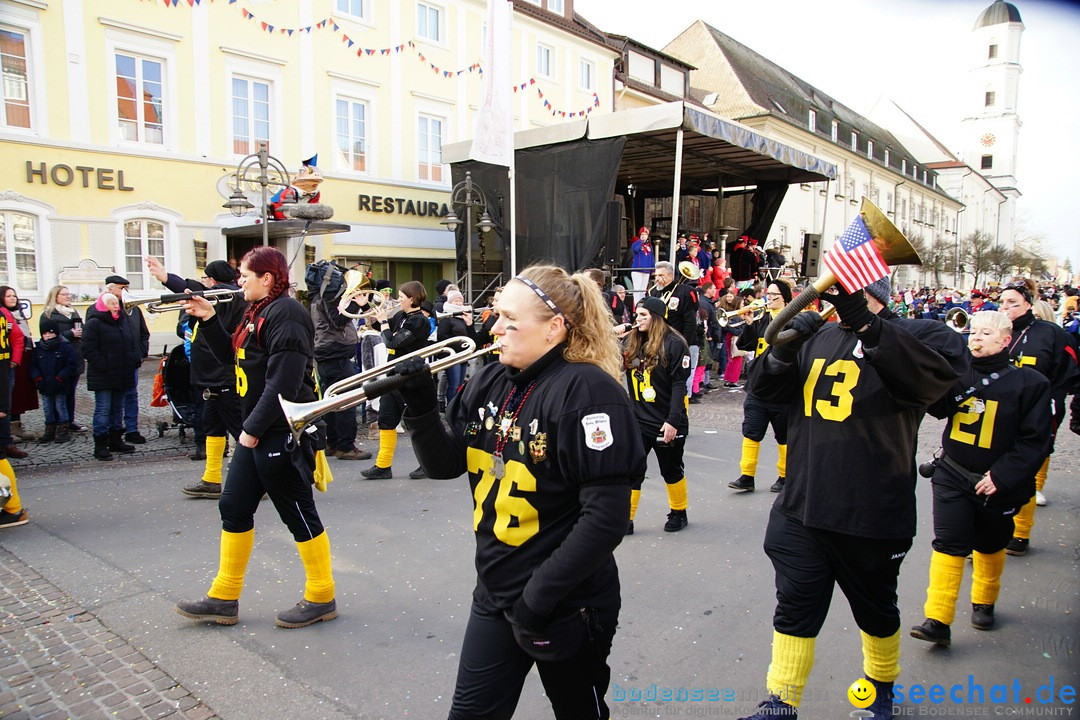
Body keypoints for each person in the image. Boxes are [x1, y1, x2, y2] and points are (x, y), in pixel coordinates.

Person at [398, 265, 645, 719]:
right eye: (497, 316)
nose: (495, 329)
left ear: (554, 328)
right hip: (495, 592)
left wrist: (535, 603)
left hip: (566, 602)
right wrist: (418, 405)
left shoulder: (589, 393)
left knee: (579, 712)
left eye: (511, 321)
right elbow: (446, 465)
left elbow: (605, 520)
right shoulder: (490, 379)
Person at [737, 284, 959, 720]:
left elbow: (937, 393)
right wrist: (782, 351)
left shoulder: (918, 333)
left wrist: (866, 324)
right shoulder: (819, 335)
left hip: (872, 509)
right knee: (795, 606)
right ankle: (781, 701)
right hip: (804, 504)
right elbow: (761, 390)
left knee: (875, 612)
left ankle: (880, 688)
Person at [174, 246, 338, 629]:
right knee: (232, 506)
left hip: (278, 431)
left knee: (297, 513)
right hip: (259, 430)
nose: (239, 281)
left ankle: (321, 594)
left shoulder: (288, 314)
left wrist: (249, 431)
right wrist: (211, 319)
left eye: (245, 274)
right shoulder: (258, 310)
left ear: (267, 278)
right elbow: (233, 361)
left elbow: (283, 381)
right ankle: (224, 597)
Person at [910, 310, 1051, 647]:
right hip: (952, 473)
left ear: (1005, 340)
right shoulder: (958, 373)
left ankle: (984, 602)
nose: (975, 338)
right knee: (949, 542)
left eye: (985, 333)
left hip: (998, 483)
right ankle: (938, 619)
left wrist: (1002, 476)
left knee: (990, 543)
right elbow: (937, 407)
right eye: (973, 332)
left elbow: (1036, 440)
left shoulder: (1031, 383)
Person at [146, 257, 249, 497]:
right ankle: (212, 479)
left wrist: (165, 278)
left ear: (212, 280)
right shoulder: (230, 294)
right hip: (212, 376)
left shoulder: (225, 295)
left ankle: (258, 481)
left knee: (242, 430)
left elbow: (192, 288)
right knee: (212, 426)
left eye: (205, 279)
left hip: (222, 375)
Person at [997, 279, 1079, 555]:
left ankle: (1020, 533)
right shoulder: (994, 330)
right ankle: (990, 534)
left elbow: (1069, 371)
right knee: (994, 471)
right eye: (1003, 302)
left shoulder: (1051, 333)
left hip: (1039, 413)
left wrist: (1053, 401)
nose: (1006, 307)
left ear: (1028, 304)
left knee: (1025, 472)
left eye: (1013, 303)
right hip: (1001, 412)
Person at [623, 296, 691, 534]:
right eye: (636, 315)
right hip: (639, 420)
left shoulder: (674, 344)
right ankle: (627, 519)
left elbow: (679, 386)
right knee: (632, 470)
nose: (637, 319)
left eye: (643, 315)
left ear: (657, 318)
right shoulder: (632, 342)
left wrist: (672, 421)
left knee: (670, 470)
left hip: (665, 421)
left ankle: (678, 512)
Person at [360, 280, 430, 480]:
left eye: (401, 297)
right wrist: (366, 306)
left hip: (412, 376)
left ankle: (427, 464)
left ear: (412, 298)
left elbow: (391, 340)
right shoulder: (401, 315)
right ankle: (383, 466)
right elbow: (379, 325)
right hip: (394, 375)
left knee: (416, 422)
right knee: (386, 418)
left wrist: (383, 322)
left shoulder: (420, 321)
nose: (398, 300)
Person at [729, 280, 792, 494]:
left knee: (784, 436)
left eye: (775, 294)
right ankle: (747, 475)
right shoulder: (761, 318)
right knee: (751, 432)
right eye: (768, 293)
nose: (770, 297)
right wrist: (748, 324)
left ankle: (785, 476)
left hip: (783, 389)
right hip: (758, 387)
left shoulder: (791, 320)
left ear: (785, 297)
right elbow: (744, 345)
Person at [307, 262, 372, 463]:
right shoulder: (327, 299)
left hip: (327, 353)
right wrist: (358, 304)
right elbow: (339, 320)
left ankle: (332, 443)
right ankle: (345, 446)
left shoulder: (319, 297)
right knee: (346, 401)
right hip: (335, 354)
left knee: (332, 400)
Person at [81, 292, 142, 461]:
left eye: (116, 303)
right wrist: (103, 365)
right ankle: (100, 444)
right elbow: (88, 348)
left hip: (122, 373)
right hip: (104, 375)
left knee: (117, 409)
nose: (116, 306)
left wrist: (133, 359)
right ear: (102, 305)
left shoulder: (122, 321)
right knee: (103, 409)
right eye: (111, 303)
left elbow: (130, 343)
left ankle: (115, 440)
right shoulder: (94, 323)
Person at [104, 275, 150, 445]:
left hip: (132, 359)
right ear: (110, 289)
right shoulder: (101, 309)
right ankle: (113, 431)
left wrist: (142, 351)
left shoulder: (134, 309)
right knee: (114, 399)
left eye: (125, 288)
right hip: (114, 362)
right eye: (121, 288)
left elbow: (144, 332)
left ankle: (132, 430)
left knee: (131, 395)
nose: (125, 292)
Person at [41, 285, 87, 433]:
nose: (68, 297)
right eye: (64, 294)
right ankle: (56, 422)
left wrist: (82, 332)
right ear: (55, 297)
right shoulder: (48, 314)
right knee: (57, 391)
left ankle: (69, 420)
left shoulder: (73, 312)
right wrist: (70, 334)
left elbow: (83, 330)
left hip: (74, 355)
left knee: (71, 392)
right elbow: (47, 336)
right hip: (57, 358)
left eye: (69, 294)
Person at [29, 317, 79, 444]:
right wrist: (38, 378)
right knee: (47, 408)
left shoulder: (65, 347)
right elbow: (33, 366)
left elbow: (71, 365)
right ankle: (49, 429)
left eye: (50, 333)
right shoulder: (39, 348)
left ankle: (63, 429)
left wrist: (60, 377)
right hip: (44, 384)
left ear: (56, 333)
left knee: (60, 406)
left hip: (60, 383)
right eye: (45, 334)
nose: (48, 336)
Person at [1, 287, 39, 444]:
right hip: (7, 361)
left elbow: (21, 337)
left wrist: (17, 359)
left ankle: (15, 426)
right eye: (8, 296)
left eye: (14, 296)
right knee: (8, 396)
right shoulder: (3, 313)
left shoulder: (18, 314)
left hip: (21, 358)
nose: (12, 298)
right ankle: (6, 431)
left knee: (18, 393)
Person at [437, 290, 476, 408]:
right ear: (450, 302)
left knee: (459, 384)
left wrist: (469, 324)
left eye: (461, 301)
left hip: (463, 356)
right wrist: (458, 345)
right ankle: (451, 407)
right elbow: (442, 337)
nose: (459, 303)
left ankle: (456, 407)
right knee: (453, 384)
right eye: (456, 300)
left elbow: (471, 336)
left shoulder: (463, 317)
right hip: (453, 356)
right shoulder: (447, 317)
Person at [629, 227, 655, 305]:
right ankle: (636, 304)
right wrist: (640, 241)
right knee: (637, 289)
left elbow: (652, 258)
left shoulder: (649, 246)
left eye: (645, 234)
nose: (643, 236)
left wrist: (653, 269)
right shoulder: (636, 243)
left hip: (646, 270)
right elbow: (635, 249)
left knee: (643, 290)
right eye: (642, 234)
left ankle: (642, 304)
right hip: (637, 270)